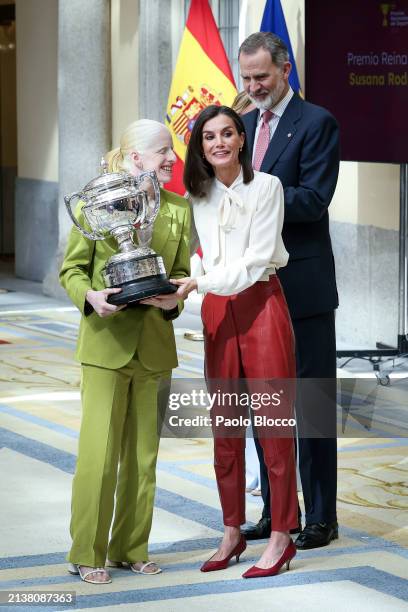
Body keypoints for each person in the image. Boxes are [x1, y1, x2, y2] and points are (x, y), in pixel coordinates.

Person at [60, 119, 191, 584]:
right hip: (105, 346)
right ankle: (85, 552)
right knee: (99, 453)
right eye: (162, 152)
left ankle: (131, 548)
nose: (172, 159)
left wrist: (177, 298)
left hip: (155, 346)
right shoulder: (97, 200)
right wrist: (91, 298)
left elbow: (179, 275)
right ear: (136, 158)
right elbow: (72, 270)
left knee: (143, 458)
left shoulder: (177, 209)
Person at [172, 104, 298, 579]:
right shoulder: (196, 195)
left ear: (242, 139)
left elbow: (256, 259)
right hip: (217, 311)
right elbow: (203, 257)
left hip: (262, 304)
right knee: (224, 427)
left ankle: (283, 535)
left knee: (273, 427)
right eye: (209, 137)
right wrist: (188, 282)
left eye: (228, 133)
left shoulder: (267, 187)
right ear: (200, 146)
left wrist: (199, 283)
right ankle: (232, 529)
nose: (219, 142)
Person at [238, 32, 340, 549]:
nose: (253, 87)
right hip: (253, 288)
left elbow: (313, 200)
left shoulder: (317, 122)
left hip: (304, 286)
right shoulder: (243, 126)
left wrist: (250, 200)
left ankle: (322, 514)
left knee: (312, 404)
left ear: (285, 70)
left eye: (262, 76)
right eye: (247, 78)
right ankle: (278, 510)